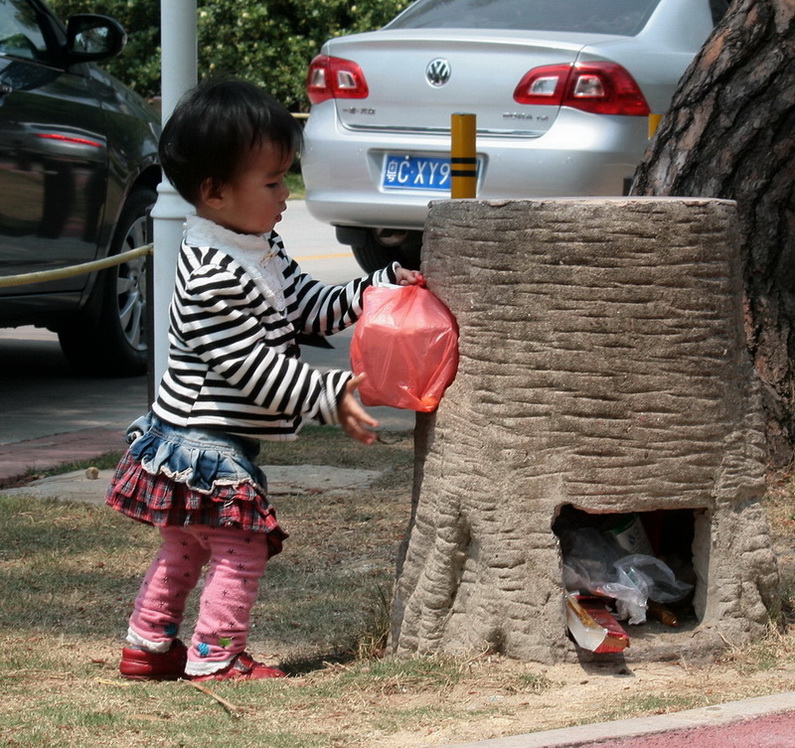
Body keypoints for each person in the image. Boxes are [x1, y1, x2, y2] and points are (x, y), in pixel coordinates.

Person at [105, 77, 423, 682]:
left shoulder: (257, 247)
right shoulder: (210, 275)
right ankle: (214, 656)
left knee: (185, 547)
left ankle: (147, 645)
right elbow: (256, 370)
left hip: (196, 442)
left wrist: (372, 289)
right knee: (240, 548)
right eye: (273, 182)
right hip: (201, 444)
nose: (286, 195)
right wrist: (334, 394)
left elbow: (306, 305)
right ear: (215, 191)